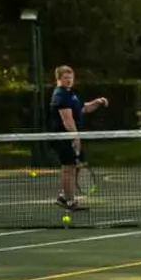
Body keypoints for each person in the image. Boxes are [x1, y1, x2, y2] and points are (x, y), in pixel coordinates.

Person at [48, 66, 110, 209]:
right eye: (66, 78)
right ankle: (70, 201)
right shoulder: (60, 95)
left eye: (71, 77)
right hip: (63, 137)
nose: (69, 80)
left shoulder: (71, 94)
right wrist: (75, 136)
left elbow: (83, 108)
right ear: (59, 79)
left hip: (69, 136)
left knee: (71, 167)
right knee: (68, 167)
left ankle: (64, 197)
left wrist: (97, 102)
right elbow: (67, 119)